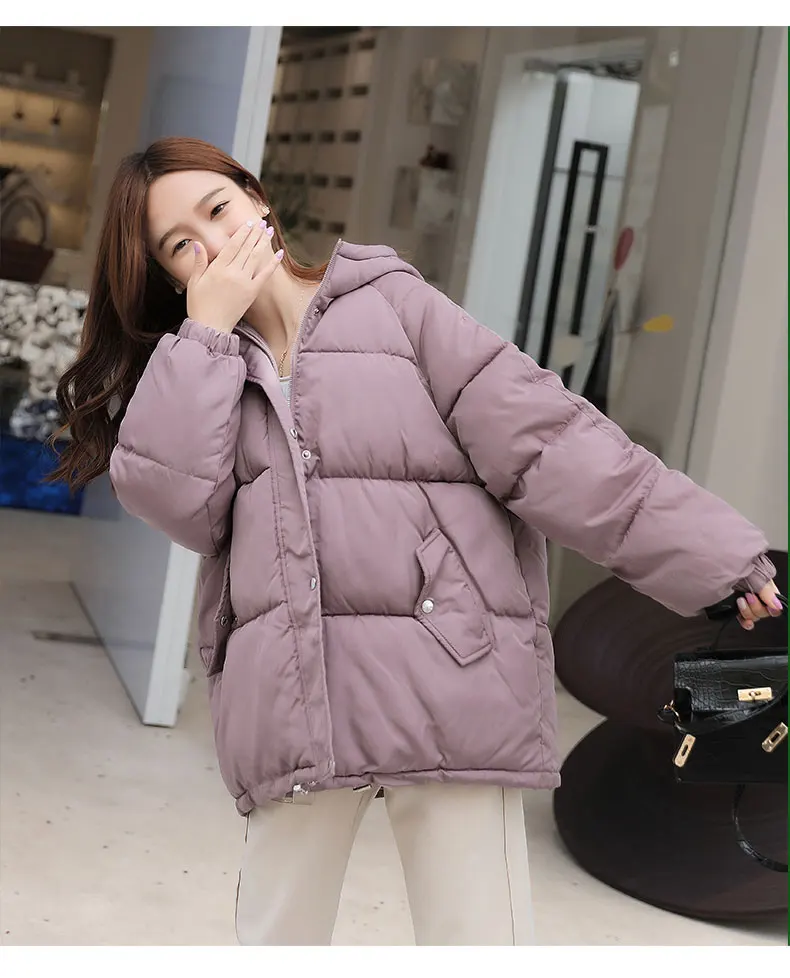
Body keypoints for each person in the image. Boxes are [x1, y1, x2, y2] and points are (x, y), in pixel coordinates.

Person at [53, 137, 782, 947]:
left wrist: (714, 558)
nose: (215, 244)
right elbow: (175, 502)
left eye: (218, 210)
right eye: (182, 245)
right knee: (274, 941)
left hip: (451, 670)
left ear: (258, 200)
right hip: (291, 697)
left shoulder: (395, 306)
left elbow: (553, 444)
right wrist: (206, 336)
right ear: (169, 277)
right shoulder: (196, 370)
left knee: (478, 941)